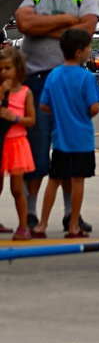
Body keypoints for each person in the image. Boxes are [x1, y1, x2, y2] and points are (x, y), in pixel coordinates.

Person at [14, 0, 99, 233]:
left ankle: (69, 214)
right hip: (35, 78)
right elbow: (24, 24)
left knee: (67, 150)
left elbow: (86, 30)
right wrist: (65, 22)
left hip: (65, 80)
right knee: (37, 150)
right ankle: (30, 213)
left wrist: (42, 26)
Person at [36, 28, 99, 239]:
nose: (89, 52)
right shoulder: (86, 77)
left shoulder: (54, 76)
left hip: (60, 139)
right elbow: (94, 107)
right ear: (78, 52)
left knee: (54, 180)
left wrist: (61, 112)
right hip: (81, 139)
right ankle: (73, 225)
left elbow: (44, 106)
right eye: (88, 48)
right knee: (78, 181)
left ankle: (42, 225)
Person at [0, 43, 36, 239]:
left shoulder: (25, 93)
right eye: (1, 69)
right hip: (1, 142)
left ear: (18, 69)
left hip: (16, 143)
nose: (4, 73)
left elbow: (31, 120)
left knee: (16, 188)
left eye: (8, 68)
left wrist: (13, 118)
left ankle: (24, 225)